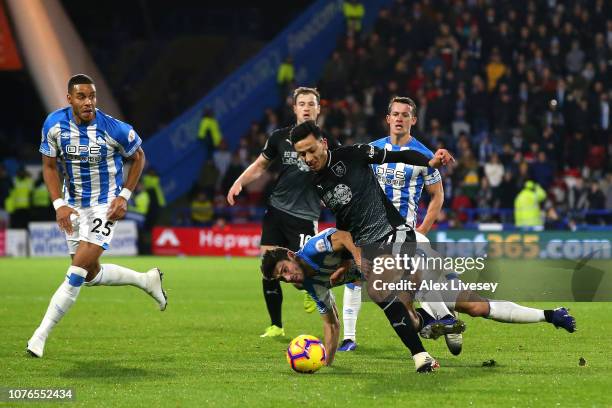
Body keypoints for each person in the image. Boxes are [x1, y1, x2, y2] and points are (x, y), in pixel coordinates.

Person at [290, 119, 457, 372]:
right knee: (393, 302)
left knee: (380, 291)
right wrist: (348, 259)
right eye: (302, 154)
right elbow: (344, 220)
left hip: (394, 232)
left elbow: (396, 156)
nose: (308, 158)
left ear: (323, 143)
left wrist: (429, 162)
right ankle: (430, 325)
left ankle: (426, 346)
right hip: (370, 246)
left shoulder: (353, 154)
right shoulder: (317, 182)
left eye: (311, 150)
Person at [27, 74, 167, 358]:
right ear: (69, 99)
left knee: (76, 274)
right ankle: (146, 280)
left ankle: (39, 337)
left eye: (92, 96)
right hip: (73, 206)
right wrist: (59, 204)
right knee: (90, 274)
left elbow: (138, 156)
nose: (88, 102)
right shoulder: (54, 124)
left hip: (105, 206)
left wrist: (124, 196)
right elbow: (49, 166)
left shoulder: (113, 128)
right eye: (81, 97)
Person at [339, 96, 448, 352]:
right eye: (395, 114)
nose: (399, 118)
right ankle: (349, 337)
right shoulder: (373, 150)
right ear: (388, 119)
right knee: (354, 276)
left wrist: (422, 230)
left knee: (404, 290)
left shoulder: (424, 155)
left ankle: (440, 320)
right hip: (369, 229)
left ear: (413, 120)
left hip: (402, 234)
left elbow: (437, 194)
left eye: (405, 114)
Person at [261, 228, 454, 369]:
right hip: (381, 271)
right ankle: (435, 319)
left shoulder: (315, 249)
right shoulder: (310, 285)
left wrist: (354, 260)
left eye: (285, 270)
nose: (288, 277)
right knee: (409, 322)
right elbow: (331, 324)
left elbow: (344, 235)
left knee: (382, 291)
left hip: (393, 245)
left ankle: (428, 345)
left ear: (291, 255)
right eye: (282, 279)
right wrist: (324, 362)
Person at [227, 87, 335, 338]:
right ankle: (276, 325)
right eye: (302, 104)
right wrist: (239, 182)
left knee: (301, 274)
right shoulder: (279, 137)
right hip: (277, 210)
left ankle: (311, 291)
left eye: (311, 104)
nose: (306, 107)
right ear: (295, 108)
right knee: (268, 267)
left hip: (305, 215)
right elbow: (260, 165)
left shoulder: (327, 141)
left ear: (318, 109)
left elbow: (338, 171)